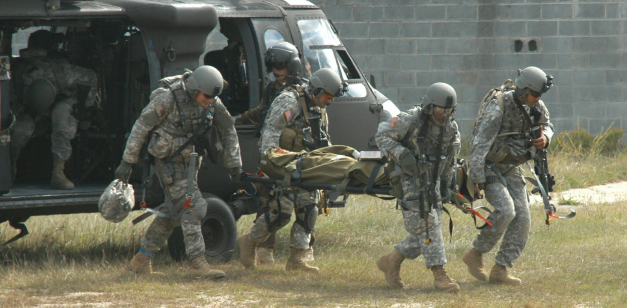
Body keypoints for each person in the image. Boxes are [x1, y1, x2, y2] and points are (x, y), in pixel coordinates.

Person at [115, 65, 242, 279]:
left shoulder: (212, 101)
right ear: (195, 89)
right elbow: (141, 126)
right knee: (193, 206)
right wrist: (127, 161)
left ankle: (141, 259)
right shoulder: (168, 98)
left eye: (213, 98)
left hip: (190, 164)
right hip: (168, 163)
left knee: (174, 214)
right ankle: (198, 262)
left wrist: (235, 164)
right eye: (207, 96)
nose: (210, 101)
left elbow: (228, 128)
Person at [237, 68, 346, 273]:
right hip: (283, 165)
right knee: (281, 213)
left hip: (306, 166)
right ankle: (250, 241)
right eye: (327, 96)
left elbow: (323, 138)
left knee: (309, 210)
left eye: (332, 98)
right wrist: (270, 161)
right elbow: (271, 130)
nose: (328, 101)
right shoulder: (290, 101)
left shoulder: (319, 107)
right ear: (316, 89)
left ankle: (297, 258)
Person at [462, 66, 554, 286]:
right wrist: (475, 180)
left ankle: (501, 269)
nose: (538, 99)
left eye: (540, 96)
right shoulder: (498, 107)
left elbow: (547, 125)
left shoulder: (536, 106)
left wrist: (546, 138)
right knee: (506, 210)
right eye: (535, 94)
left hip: (511, 166)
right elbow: (479, 145)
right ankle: (475, 253)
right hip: (488, 166)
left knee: (522, 219)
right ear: (524, 90)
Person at [375, 82, 461, 293]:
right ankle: (440, 275)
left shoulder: (451, 128)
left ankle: (392, 260)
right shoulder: (410, 120)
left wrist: (446, 186)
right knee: (427, 223)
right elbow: (382, 135)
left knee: (425, 228)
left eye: (449, 110)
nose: (445, 114)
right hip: (410, 181)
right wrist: (402, 154)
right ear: (430, 107)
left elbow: (450, 160)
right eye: (441, 109)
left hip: (433, 182)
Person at [238, 42, 314, 265]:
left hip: (296, 156)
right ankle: (263, 249)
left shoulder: (304, 92)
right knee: (270, 203)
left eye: (282, 69)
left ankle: (301, 254)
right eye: (274, 70)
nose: (278, 74)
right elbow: (262, 113)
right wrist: (238, 120)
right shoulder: (271, 89)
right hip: (274, 154)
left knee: (305, 206)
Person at [10, 29, 99, 189]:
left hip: (56, 108)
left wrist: (80, 108)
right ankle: (9, 168)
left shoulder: (57, 70)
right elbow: (91, 76)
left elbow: (90, 77)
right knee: (21, 128)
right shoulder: (18, 71)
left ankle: (58, 172)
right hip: (30, 111)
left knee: (61, 115)